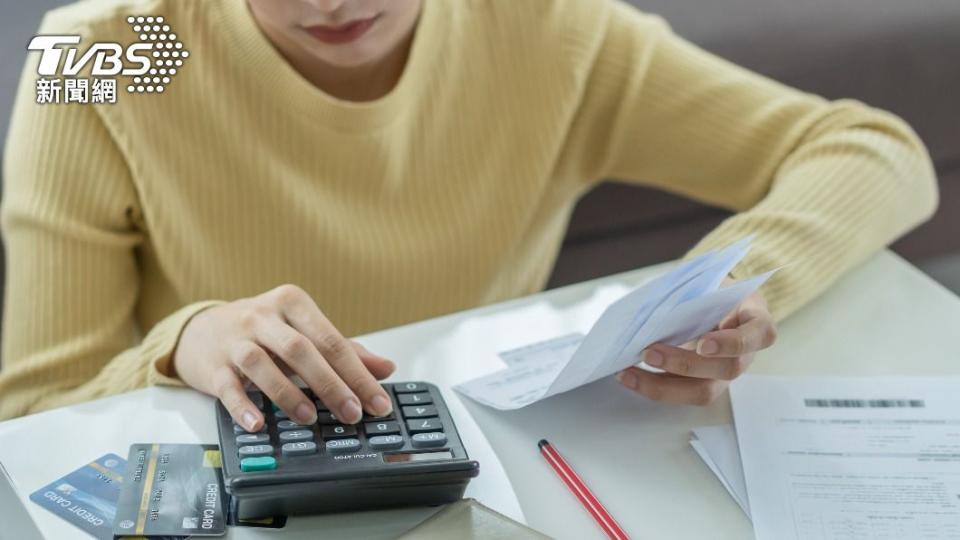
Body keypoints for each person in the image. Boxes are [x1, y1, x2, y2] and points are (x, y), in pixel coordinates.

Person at [0, 0, 938, 428]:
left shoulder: (548, 31)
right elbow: (31, 411)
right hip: (230, 477)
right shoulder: (98, 54)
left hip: (493, 457)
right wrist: (185, 340)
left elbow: (875, 150)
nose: (329, 4)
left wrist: (728, 285)